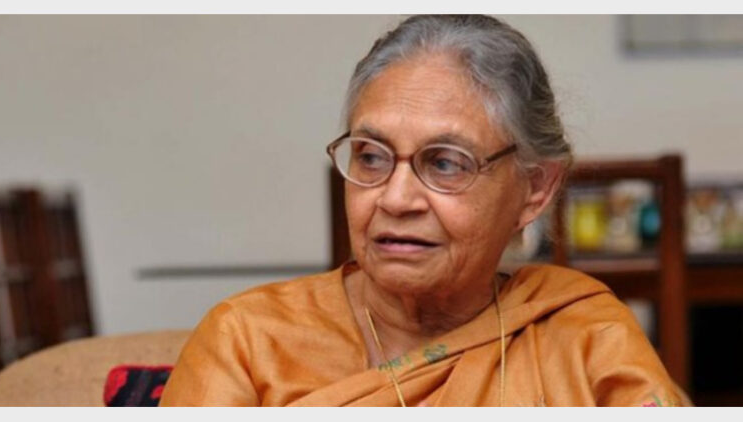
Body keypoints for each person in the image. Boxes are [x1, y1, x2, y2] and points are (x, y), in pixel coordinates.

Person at [160, 15, 689, 407]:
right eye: (371, 156)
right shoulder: (249, 342)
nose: (395, 199)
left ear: (535, 188)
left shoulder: (585, 339)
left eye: (445, 163)